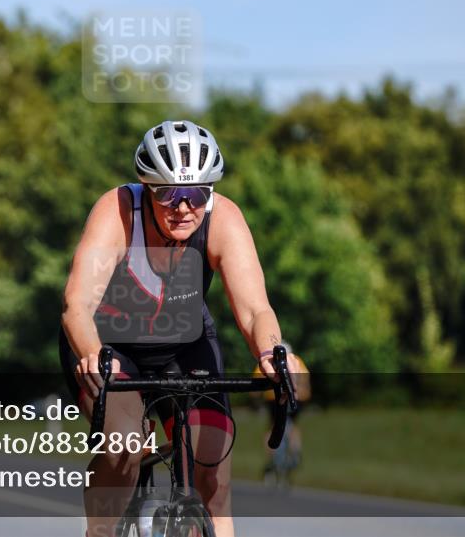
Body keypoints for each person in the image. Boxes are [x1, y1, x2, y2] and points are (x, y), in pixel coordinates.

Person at [60, 120, 287, 537]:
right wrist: (94, 356)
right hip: (110, 345)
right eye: (168, 194)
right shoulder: (117, 212)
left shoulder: (225, 220)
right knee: (125, 448)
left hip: (184, 342)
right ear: (147, 188)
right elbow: (77, 305)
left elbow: (255, 310)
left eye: (197, 194)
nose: (183, 207)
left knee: (213, 475)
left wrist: (272, 353)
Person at [255, 342, 311, 488]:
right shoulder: (297, 361)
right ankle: (295, 451)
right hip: (296, 398)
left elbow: (255, 385)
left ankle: (272, 457)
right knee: (293, 427)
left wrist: (256, 402)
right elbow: (306, 382)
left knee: (272, 427)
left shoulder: (268, 360)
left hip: (273, 400)